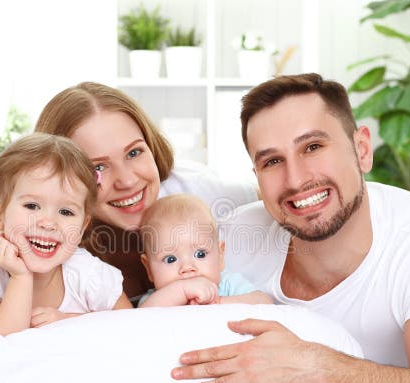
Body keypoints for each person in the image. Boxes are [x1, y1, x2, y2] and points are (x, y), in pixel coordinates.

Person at [171, 73, 410, 383]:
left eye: (312, 147)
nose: (296, 180)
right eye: (272, 161)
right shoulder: (227, 242)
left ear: (362, 150)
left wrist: (313, 365)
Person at [34, 82, 259, 299]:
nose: (127, 181)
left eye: (134, 153)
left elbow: (270, 196)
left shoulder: (194, 191)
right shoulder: (52, 236)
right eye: (98, 167)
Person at [0, 133, 132, 346]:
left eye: (65, 211)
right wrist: (20, 277)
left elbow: (133, 326)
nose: (48, 222)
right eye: (32, 206)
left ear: (82, 226)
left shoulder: (89, 275)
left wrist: (70, 321)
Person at [136, 194, 272, 307]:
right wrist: (182, 291)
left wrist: (218, 303)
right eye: (170, 259)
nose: (187, 268)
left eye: (200, 254)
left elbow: (264, 302)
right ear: (149, 269)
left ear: (220, 257)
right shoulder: (155, 300)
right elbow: (140, 319)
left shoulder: (228, 285)